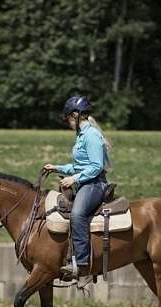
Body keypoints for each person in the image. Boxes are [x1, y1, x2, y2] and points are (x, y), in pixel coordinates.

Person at [44, 95, 112, 280]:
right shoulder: (82, 135)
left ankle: (81, 264)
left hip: (95, 184)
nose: (67, 122)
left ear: (75, 114)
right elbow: (80, 166)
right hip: (85, 181)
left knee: (77, 214)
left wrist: (73, 179)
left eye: (68, 118)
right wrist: (57, 168)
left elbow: (96, 166)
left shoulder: (91, 135)